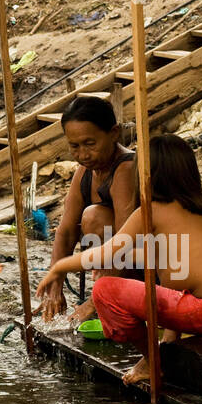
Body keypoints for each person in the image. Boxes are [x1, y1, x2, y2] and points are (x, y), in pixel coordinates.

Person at [36, 134, 202, 384]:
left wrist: (59, 267)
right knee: (152, 262)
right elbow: (176, 274)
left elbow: (108, 252)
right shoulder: (198, 211)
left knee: (105, 289)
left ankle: (153, 362)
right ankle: (158, 356)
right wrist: (168, 342)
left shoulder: (151, 211)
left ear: (145, 175)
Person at [38, 95, 136, 324]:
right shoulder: (85, 170)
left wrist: (95, 302)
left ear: (113, 133)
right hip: (116, 265)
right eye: (74, 146)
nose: (82, 154)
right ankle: (105, 291)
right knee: (86, 218)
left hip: (150, 261)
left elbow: (127, 241)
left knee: (94, 217)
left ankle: (111, 297)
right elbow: (66, 231)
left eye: (90, 144)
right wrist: (54, 288)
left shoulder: (125, 169)